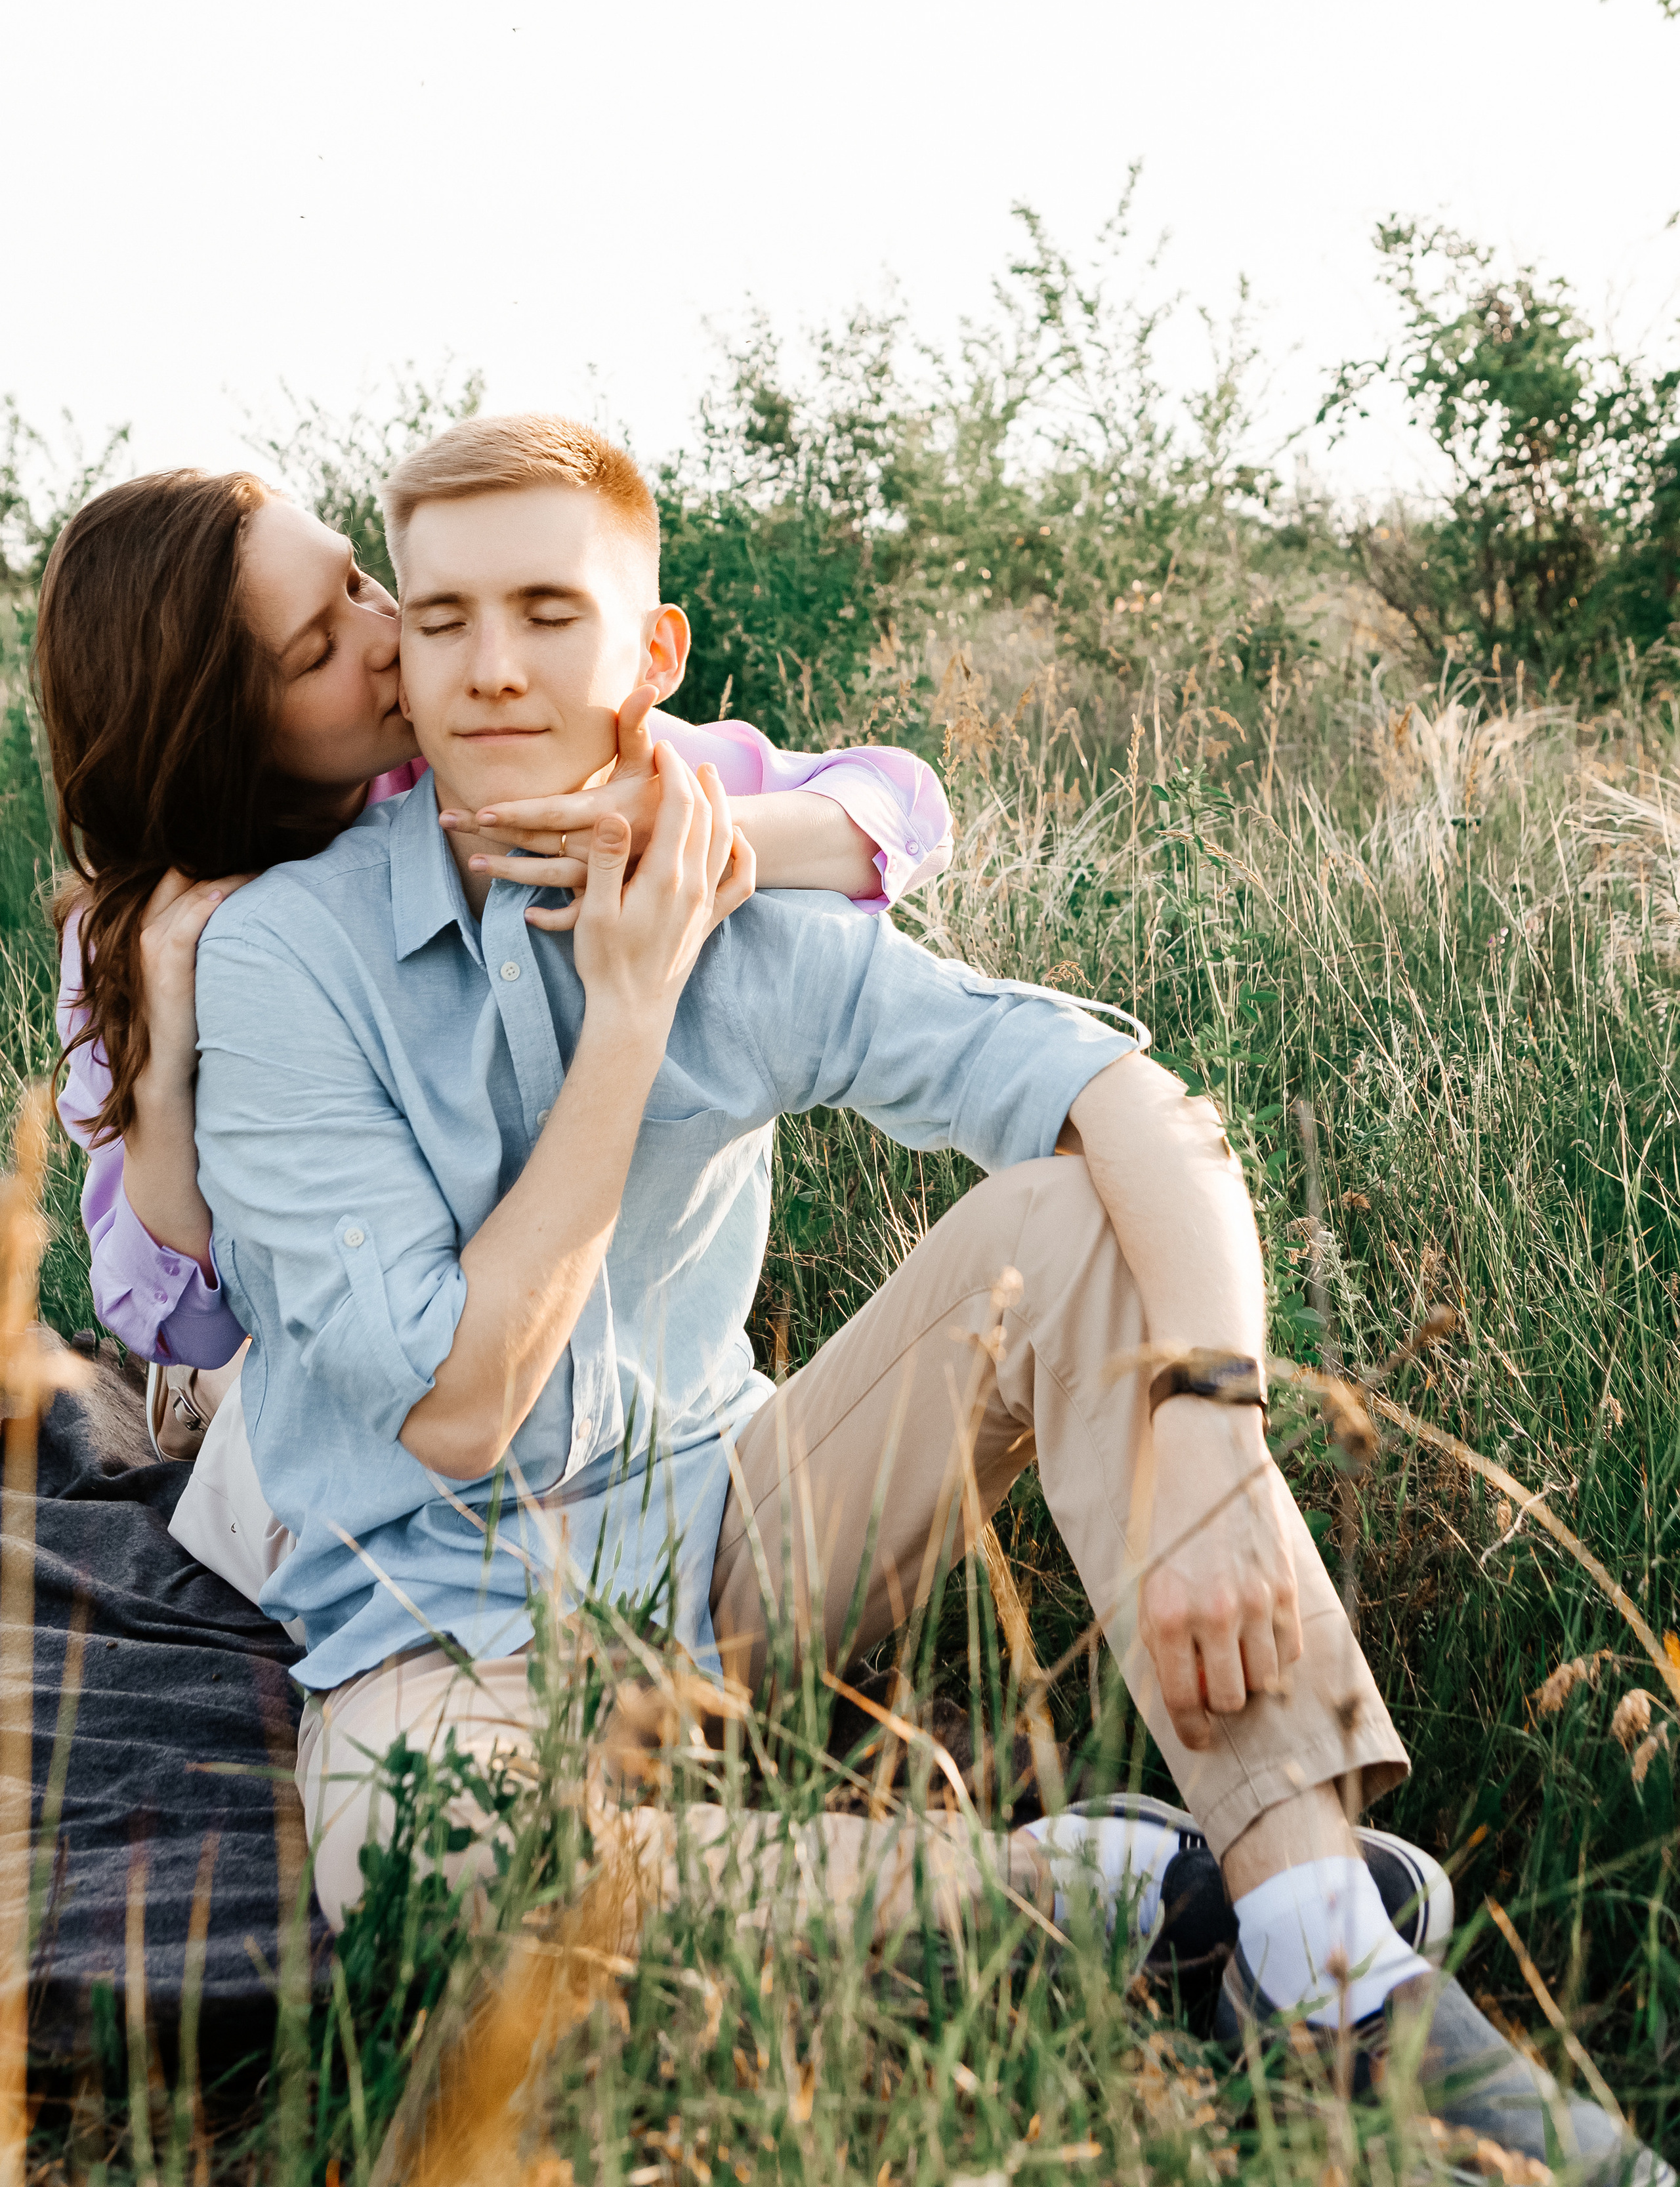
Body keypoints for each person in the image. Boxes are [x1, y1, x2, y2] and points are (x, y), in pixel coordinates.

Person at [163, 419, 1668, 2182]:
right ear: (405, 661)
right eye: (440, 620)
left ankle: (1330, 1953)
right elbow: (456, 1402)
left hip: (733, 1538)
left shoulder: (744, 908)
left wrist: (1210, 1430)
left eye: (548, 612)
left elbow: (1125, 1099)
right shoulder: (286, 959)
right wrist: (627, 1017)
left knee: (1071, 1216)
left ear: (649, 652)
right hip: (437, 1623)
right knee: (428, 1873)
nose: (492, 667)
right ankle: (1113, 1892)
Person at [37, 463, 952, 1478]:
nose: (389, 632)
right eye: (319, 649)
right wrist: (161, 1083)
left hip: (531, 1328)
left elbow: (904, 808)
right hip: (305, 1361)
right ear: (226, 728)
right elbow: (182, 1328)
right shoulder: (147, 935)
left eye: (358, 581)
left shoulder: (484, 755)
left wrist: (682, 832)